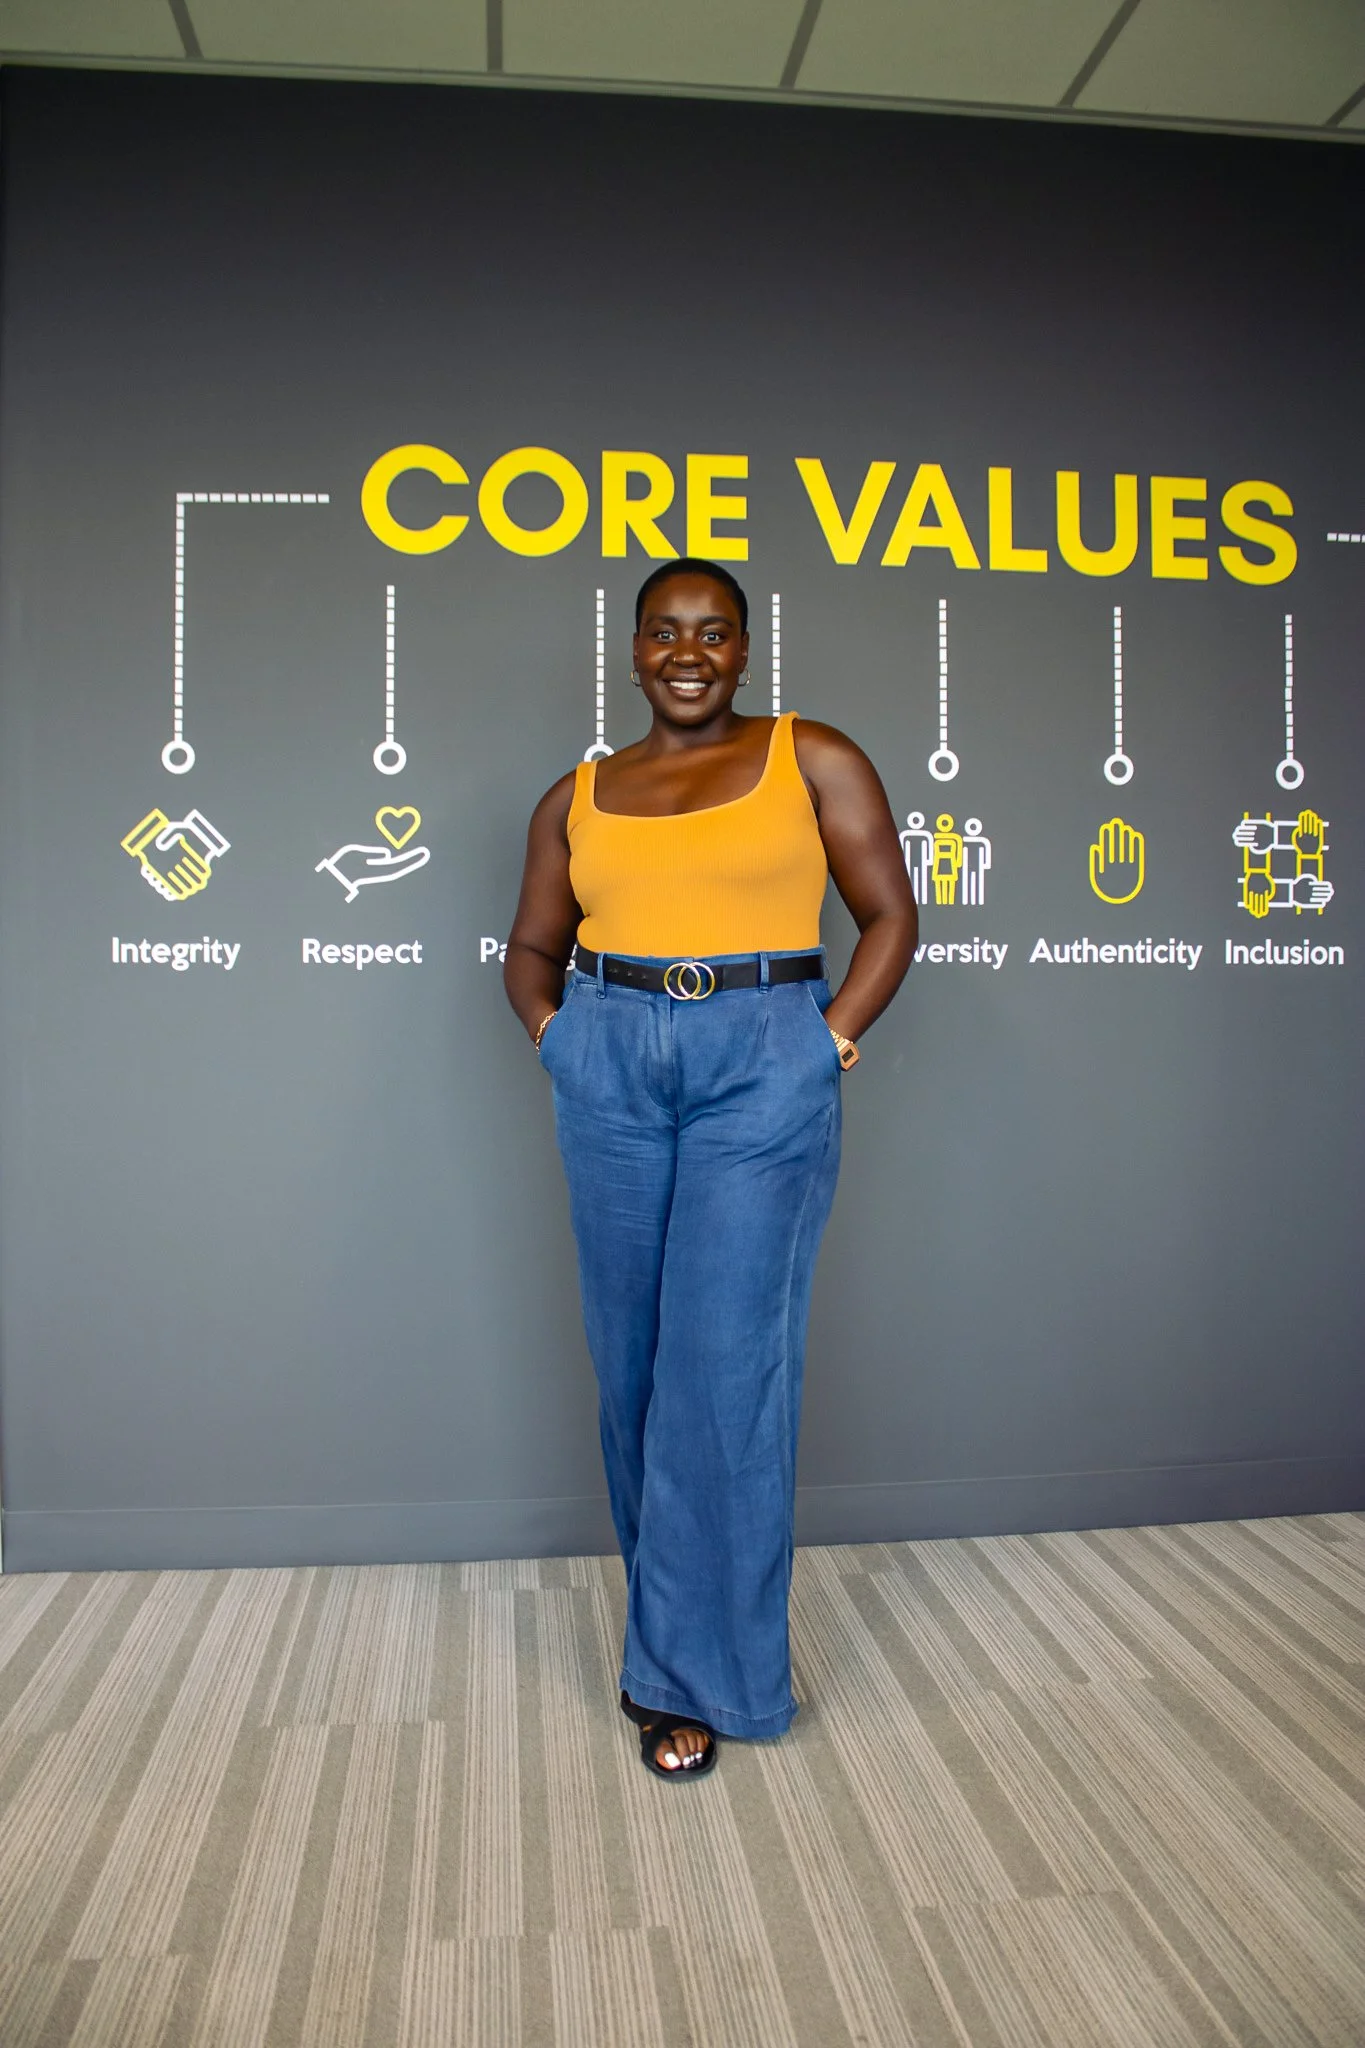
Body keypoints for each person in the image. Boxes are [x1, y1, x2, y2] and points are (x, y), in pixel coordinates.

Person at [505, 559, 916, 1778]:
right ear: (632, 649)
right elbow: (531, 945)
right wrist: (562, 1037)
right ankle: (669, 1638)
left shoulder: (814, 754)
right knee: (631, 1364)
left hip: (761, 1056)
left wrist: (826, 1042)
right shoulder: (575, 793)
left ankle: (694, 1676)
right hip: (612, 1059)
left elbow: (890, 914)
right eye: (665, 632)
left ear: (746, 650)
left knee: (722, 1365)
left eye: (715, 632)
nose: (689, 651)